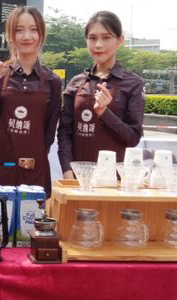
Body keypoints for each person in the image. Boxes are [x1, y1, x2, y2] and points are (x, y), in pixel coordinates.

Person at [0, 6, 62, 197]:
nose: (26, 36)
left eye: (33, 29)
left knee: (31, 216)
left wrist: (33, 160)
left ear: (42, 34)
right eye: (19, 30)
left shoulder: (53, 82)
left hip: (34, 174)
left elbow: (48, 135)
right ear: (10, 35)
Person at [57, 10, 145, 178]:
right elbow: (65, 132)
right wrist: (67, 170)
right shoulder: (76, 82)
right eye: (92, 38)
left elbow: (133, 138)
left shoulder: (133, 84)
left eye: (106, 37)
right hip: (79, 179)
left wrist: (104, 112)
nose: (98, 45)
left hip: (115, 181)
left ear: (120, 40)